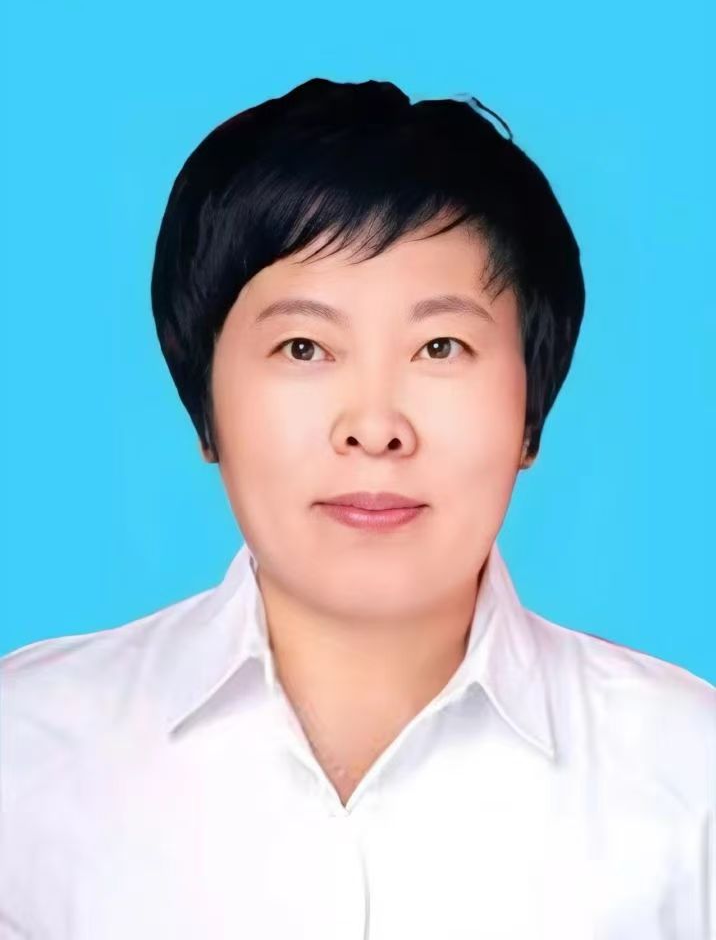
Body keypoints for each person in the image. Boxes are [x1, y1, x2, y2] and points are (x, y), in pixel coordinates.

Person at [1, 78, 713, 939]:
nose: (374, 427)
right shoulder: (24, 753)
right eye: (304, 347)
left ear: (530, 415)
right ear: (206, 409)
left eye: (440, 346)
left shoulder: (692, 778)